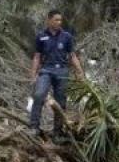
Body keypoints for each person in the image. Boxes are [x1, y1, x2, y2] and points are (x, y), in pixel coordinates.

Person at [29, 10, 85, 138]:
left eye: (60, 20)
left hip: (62, 71)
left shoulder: (67, 37)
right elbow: (37, 57)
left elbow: (72, 56)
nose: (59, 22)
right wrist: (33, 75)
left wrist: (80, 73)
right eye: (56, 20)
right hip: (46, 70)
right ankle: (34, 127)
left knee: (61, 102)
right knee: (38, 95)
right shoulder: (41, 36)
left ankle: (57, 132)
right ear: (48, 20)